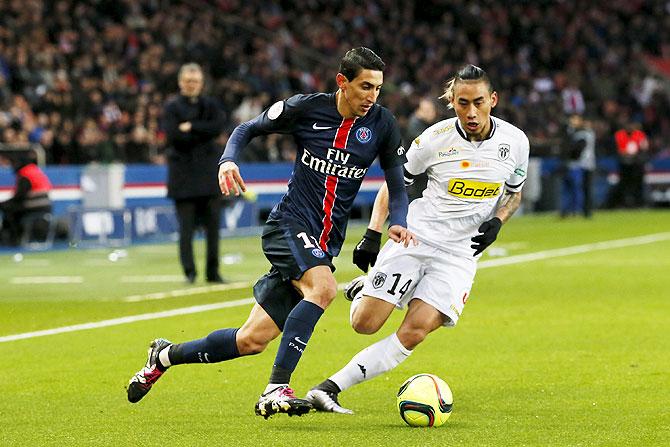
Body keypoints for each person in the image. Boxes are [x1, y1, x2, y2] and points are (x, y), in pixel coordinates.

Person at [126, 47, 415, 418]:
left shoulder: (382, 123)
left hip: (324, 242)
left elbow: (396, 178)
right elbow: (247, 128)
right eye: (364, 87)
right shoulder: (306, 108)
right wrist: (228, 159)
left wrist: (399, 219)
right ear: (342, 82)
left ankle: (163, 356)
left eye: (377, 88)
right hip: (289, 224)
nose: (371, 97)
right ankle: (275, 388)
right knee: (324, 289)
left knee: (251, 340)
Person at [304, 65, 530, 414]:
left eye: (479, 102)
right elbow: (395, 184)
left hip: (460, 253)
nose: (471, 112)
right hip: (417, 237)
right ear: (452, 102)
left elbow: (514, 193)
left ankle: (329, 388)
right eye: (462, 103)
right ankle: (367, 288)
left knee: (416, 330)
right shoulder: (434, 139)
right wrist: (372, 233)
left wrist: (498, 221)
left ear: (493, 100)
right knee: (364, 324)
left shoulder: (515, 142)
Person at [163, 63, 226, 284]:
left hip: (209, 177)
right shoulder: (171, 107)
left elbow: (218, 126)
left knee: (213, 230)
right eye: (188, 81)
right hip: (183, 179)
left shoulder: (210, 105)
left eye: (195, 81)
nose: (192, 85)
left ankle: (213, 272)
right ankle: (189, 273)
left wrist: (191, 127)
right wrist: (203, 131)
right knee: (186, 231)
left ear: (201, 83)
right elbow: (173, 136)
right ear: (181, 82)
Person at [0, 152, 52, 246]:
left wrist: (4, 204)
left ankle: (13, 239)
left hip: (34, 205)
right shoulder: (34, 170)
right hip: (46, 205)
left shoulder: (25, 174)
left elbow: (20, 196)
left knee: (10, 212)